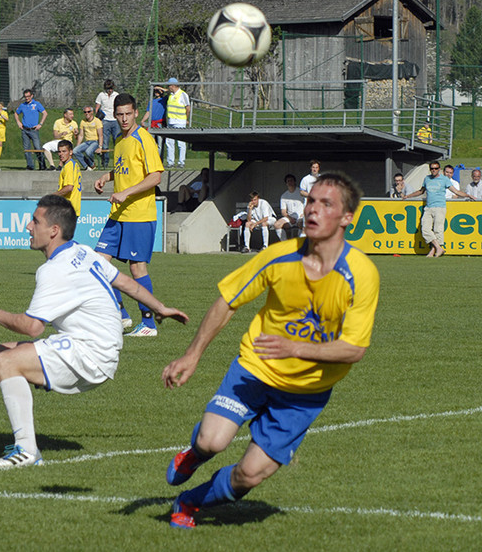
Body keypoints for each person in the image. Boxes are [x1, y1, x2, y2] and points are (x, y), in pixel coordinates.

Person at [161, 172, 379, 530]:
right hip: (256, 368)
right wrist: (192, 354)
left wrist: (293, 347)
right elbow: (228, 300)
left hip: (305, 393)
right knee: (212, 441)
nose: (313, 210)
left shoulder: (361, 274)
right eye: (311, 201)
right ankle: (194, 454)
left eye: (327, 204)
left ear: (346, 218)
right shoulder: (279, 256)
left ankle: (190, 501)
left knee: (248, 475)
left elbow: (353, 349)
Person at [0, 195, 188, 469]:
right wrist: (160, 308)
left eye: (34, 222)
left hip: (91, 353)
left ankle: (27, 450)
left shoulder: (55, 270)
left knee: (7, 362)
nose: (28, 227)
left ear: (53, 231)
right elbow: (125, 281)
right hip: (90, 345)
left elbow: (32, 327)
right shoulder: (82, 251)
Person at [93, 93, 164, 337]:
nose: (123, 119)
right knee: (97, 264)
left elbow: (155, 176)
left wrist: (127, 193)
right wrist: (106, 177)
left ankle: (149, 324)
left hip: (139, 214)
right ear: (114, 114)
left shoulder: (143, 138)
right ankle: (121, 315)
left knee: (137, 269)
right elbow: (125, 169)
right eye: (119, 114)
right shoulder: (121, 141)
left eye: (128, 114)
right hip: (119, 214)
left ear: (135, 113)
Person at [405, 161, 476, 257]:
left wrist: (467, 195)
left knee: (438, 230)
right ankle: (439, 248)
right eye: (432, 168)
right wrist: (408, 196)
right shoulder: (427, 179)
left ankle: (433, 250)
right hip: (428, 207)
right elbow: (421, 191)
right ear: (430, 169)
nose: (434, 170)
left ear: (439, 169)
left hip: (440, 207)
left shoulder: (444, 179)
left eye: (436, 168)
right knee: (425, 229)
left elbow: (456, 191)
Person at [14, 89, 48, 170]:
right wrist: (18, 122)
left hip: (34, 130)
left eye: (28, 96)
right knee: (27, 149)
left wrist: (40, 124)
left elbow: (45, 113)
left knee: (37, 148)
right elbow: (16, 113)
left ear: (32, 96)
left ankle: (42, 165)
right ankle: (30, 165)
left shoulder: (36, 104)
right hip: (25, 130)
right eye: (25, 97)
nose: (27, 98)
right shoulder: (22, 105)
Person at [164, 78, 190, 168]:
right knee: (169, 142)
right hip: (171, 121)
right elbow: (167, 90)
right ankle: (170, 162)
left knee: (181, 142)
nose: (168, 87)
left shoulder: (183, 94)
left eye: (169, 85)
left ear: (173, 85)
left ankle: (181, 162)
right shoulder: (171, 94)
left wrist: (186, 118)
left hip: (180, 121)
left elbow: (188, 108)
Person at [94, 79, 119, 168]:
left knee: (117, 140)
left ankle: (118, 161)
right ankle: (105, 162)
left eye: (111, 88)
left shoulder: (116, 95)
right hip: (105, 121)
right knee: (105, 142)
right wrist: (97, 119)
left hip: (115, 120)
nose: (110, 90)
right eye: (108, 88)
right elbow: (97, 108)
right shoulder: (101, 95)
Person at [54, 140, 82, 216]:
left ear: (70, 152)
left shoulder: (69, 166)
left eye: (64, 151)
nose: (61, 154)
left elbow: (69, 187)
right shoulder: (74, 164)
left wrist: (54, 196)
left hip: (68, 208)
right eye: (59, 152)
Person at [274, 173, 304, 240]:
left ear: (294, 182)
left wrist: (304, 214)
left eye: (291, 180)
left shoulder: (301, 192)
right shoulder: (284, 196)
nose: (290, 182)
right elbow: (283, 211)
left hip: (301, 216)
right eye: (288, 181)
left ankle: (300, 244)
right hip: (290, 217)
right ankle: (284, 244)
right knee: (277, 224)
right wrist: (290, 218)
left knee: (301, 223)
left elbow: (308, 204)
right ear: (286, 183)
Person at [72, 105, 103, 170]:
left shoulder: (97, 121)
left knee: (88, 152)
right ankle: (86, 166)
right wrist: (78, 145)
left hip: (95, 141)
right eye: (85, 112)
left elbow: (100, 135)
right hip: (87, 142)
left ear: (92, 112)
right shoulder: (83, 121)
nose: (87, 113)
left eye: (88, 112)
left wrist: (100, 147)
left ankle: (92, 164)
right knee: (75, 151)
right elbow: (81, 135)